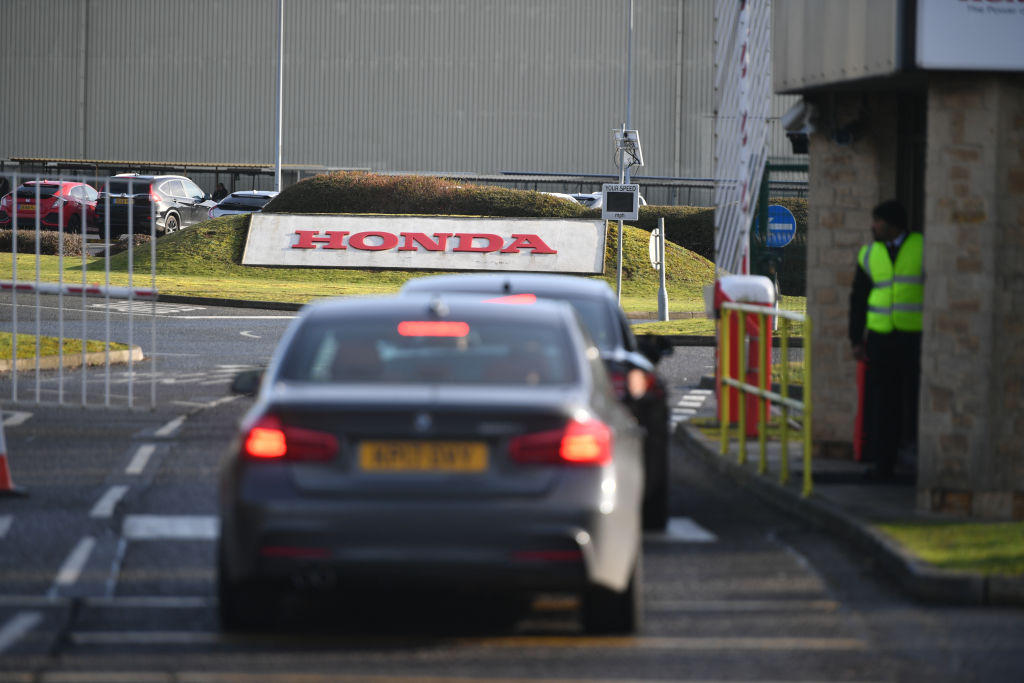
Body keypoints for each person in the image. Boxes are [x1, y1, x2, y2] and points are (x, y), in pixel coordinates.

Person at [849, 199, 923, 481]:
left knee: (916, 401)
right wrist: (856, 339)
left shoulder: (922, 248)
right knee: (884, 404)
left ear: (893, 225)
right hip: (881, 339)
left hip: (915, 338)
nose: (873, 226)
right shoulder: (869, 253)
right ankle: (884, 466)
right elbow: (858, 299)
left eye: (877, 221)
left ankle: (919, 461)